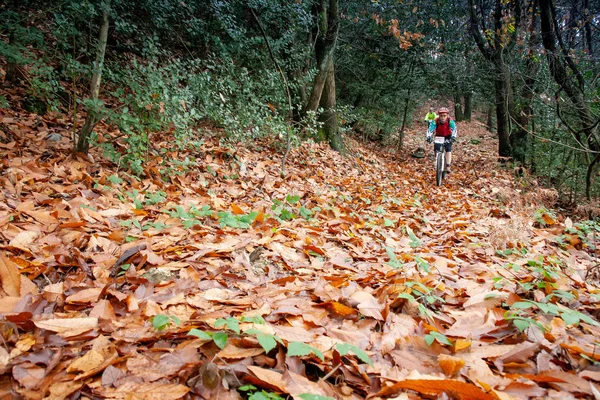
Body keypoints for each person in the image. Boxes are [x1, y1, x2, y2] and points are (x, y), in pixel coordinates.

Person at [426, 107, 457, 173]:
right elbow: (430, 129)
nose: (443, 117)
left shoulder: (450, 120)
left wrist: (453, 137)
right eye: (441, 116)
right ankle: (437, 161)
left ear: (447, 115)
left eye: (444, 116)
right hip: (439, 136)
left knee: (448, 149)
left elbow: (454, 129)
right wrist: (428, 137)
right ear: (439, 115)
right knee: (436, 149)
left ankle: (448, 166)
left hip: (448, 136)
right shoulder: (436, 120)